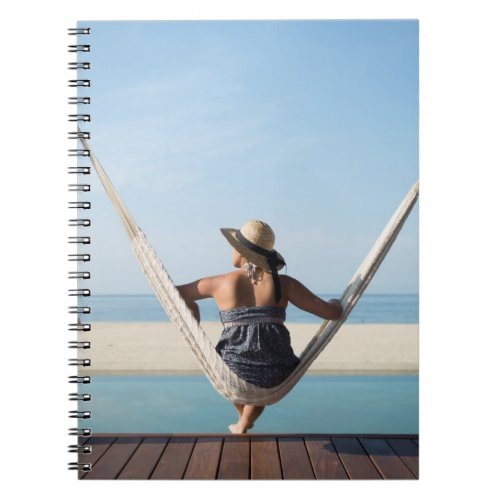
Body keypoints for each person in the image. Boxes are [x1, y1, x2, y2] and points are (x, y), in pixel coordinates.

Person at [177, 220, 342, 434]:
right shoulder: (285, 284)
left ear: (240, 251)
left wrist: (194, 317)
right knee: (261, 384)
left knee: (236, 382)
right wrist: (335, 303)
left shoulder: (220, 282)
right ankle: (243, 423)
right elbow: (332, 314)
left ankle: (242, 423)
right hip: (275, 372)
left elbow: (174, 294)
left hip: (233, 368)